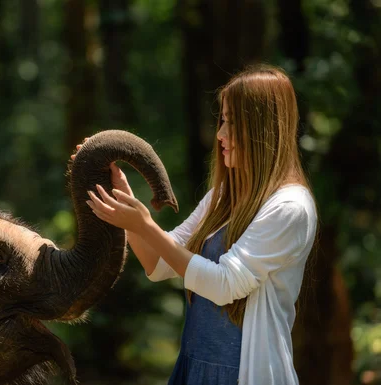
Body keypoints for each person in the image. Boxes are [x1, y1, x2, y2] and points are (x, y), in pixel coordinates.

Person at [71, 64, 318, 385]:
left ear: (261, 129)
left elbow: (224, 284)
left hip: (242, 374)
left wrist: (145, 225)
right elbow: (160, 263)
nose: (220, 135)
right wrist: (125, 200)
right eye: (222, 121)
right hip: (194, 369)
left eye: (232, 123)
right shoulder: (224, 196)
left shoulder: (290, 208)